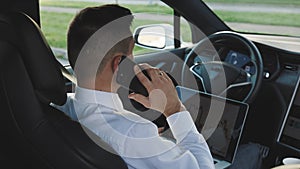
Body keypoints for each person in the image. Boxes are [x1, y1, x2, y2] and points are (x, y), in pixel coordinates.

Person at [55, 4, 215, 169]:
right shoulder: (136, 133)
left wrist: (153, 144)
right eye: (131, 54)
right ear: (119, 64)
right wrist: (174, 108)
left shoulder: (62, 105)